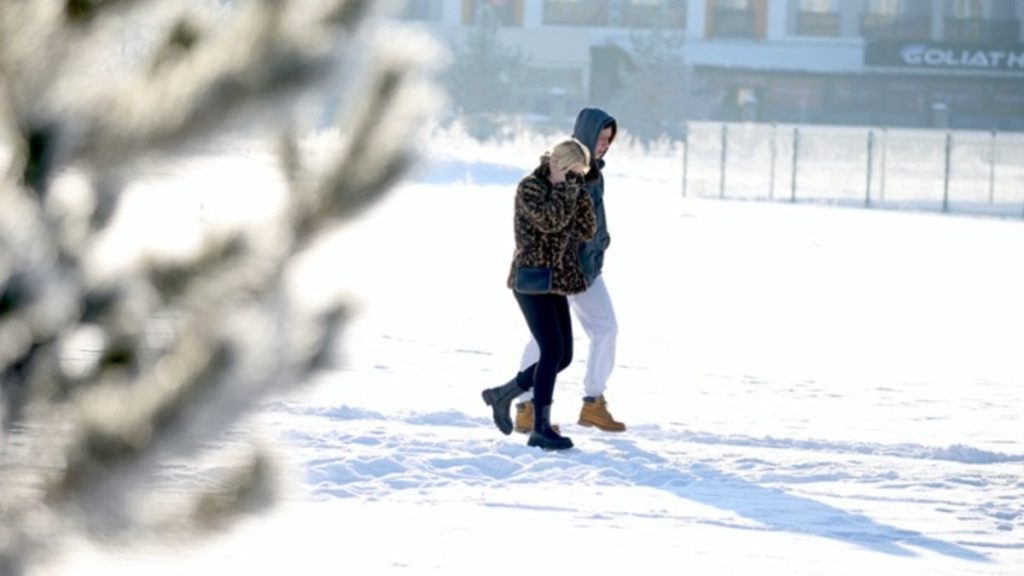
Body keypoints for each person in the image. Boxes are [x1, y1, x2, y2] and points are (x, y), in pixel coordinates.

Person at [513, 107, 626, 434]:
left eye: (609, 140)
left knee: (606, 329)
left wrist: (601, 243)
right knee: (547, 341)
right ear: (586, 134)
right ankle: (525, 406)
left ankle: (593, 404)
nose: (605, 145)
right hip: (560, 270)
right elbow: (548, 217)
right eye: (601, 138)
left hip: (588, 269)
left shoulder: (595, 172)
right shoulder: (561, 166)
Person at [481, 138, 596, 451]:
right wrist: (562, 188)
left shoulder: (571, 187)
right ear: (559, 163)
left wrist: (577, 189)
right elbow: (551, 222)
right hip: (531, 281)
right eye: (573, 170)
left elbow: (587, 230)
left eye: (579, 172)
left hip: (556, 282)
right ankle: (540, 428)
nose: (576, 176)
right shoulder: (531, 187)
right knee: (551, 351)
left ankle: (503, 393)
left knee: (564, 355)